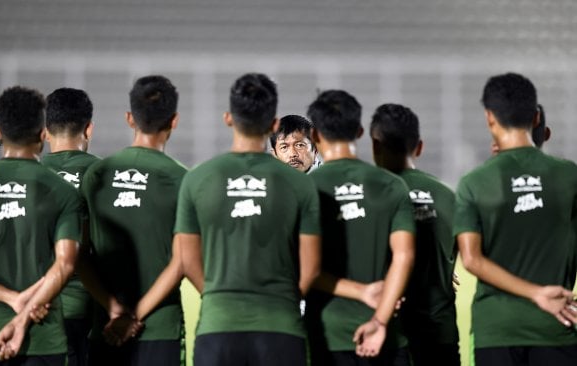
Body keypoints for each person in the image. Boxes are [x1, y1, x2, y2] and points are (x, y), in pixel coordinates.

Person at [131, 73, 321, 366]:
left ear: (228, 118)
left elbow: (186, 258)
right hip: (280, 327)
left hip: (218, 329)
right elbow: (311, 267)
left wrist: (218, 297)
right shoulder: (300, 185)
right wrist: (283, 301)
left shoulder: (197, 179)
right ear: (273, 125)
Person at [0, 86, 83, 365]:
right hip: (43, 338)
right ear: (43, 133)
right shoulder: (62, 190)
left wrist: (12, 299)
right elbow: (66, 264)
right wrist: (26, 307)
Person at [454, 72, 577, 366]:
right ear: (536, 118)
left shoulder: (474, 183)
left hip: (496, 331)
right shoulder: (570, 176)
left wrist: (535, 293)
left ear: (489, 118)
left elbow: (471, 260)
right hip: (556, 328)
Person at [78, 75, 185, 366]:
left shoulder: (96, 175)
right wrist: (136, 314)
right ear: (174, 120)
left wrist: (115, 310)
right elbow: (181, 262)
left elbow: (79, 256)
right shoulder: (182, 180)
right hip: (160, 329)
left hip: (106, 328)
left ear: (129, 118)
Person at [304, 90, 415, 366]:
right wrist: (379, 320)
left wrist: (361, 291)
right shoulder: (392, 185)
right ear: (360, 130)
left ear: (315, 136)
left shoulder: (305, 188)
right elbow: (405, 256)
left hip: (328, 335)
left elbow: (302, 267)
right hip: (386, 335)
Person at [370, 103, 459, 366]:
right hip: (439, 332)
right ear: (419, 146)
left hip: (388, 332)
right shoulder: (447, 196)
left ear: (375, 145)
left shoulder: (367, 194)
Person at [40, 88, 100, 366]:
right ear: (88, 128)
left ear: (45, 131)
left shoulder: (23, 175)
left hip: (32, 309)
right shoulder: (106, 173)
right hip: (89, 311)